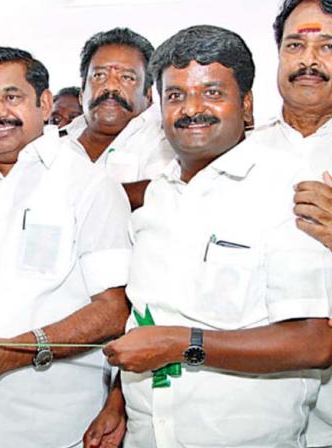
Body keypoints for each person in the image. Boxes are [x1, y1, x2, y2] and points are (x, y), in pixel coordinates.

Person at [91, 25, 332, 448]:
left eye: (212, 93)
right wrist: (118, 402)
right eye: (176, 95)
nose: (191, 109)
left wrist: (184, 345)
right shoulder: (156, 199)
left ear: (248, 105)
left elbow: (314, 342)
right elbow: (149, 319)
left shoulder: (288, 190)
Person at [0, 46, 131, 448]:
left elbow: (114, 310)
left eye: (11, 97)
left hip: (50, 431)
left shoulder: (89, 185)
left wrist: (13, 353)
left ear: (44, 102)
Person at [248, 1, 332, 446]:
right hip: (254, 395)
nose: (308, 61)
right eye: (295, 45)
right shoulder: (236, 153)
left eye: (327, 46)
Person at [64, 28, 174, 209]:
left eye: (126, 77)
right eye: (99, 75)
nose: (110, 87)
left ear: (148, 95)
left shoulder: (164, 139)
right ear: (82, 92)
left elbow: (163, 195)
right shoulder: (55, 141)